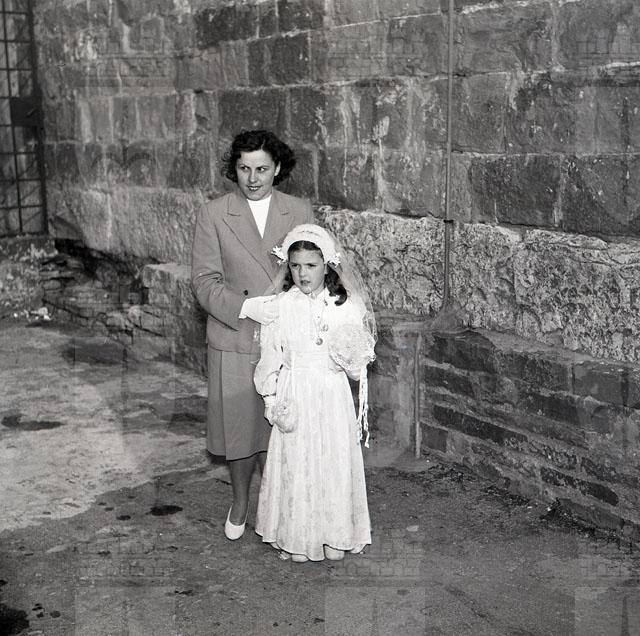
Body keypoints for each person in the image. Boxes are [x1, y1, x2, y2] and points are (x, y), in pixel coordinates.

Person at [191, 130, 314, 540]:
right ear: (235, 169)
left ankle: (280, 505)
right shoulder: (214, 214)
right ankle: (241, 500)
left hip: (285, 336)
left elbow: (314, 268)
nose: (253, 178)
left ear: (277, 169)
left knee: (282, 425)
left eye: (262, 169)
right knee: (240, 426)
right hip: (236, 333)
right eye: (244, 169)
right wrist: (246, 307)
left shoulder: (298, 210)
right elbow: (204, 281)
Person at [253, 224, 377, 562]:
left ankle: (335, 533)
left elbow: (356, 368)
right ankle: (297, 535)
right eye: (295, 266)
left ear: (327, 265)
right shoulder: (281, 306)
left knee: (331, 459)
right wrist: (271, 398)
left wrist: (351, 356)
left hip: (330, 393)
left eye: (311, 265)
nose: (303, 273)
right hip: (295, 391)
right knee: (297, 462)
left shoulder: (345, 306)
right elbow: (271, 356)